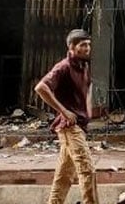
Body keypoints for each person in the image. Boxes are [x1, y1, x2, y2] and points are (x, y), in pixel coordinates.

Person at [35, 29, 99, 204]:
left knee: (64, 176)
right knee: (87, 170)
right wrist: (64, 111)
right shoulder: (63, 67)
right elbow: (41, 88)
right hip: (69, 127)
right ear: (71, 47)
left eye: (89, 45)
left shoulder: (84, 66)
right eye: (83, 45)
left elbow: (87, 89)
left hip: (79, 125)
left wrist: (88, 112)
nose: (87, 48)